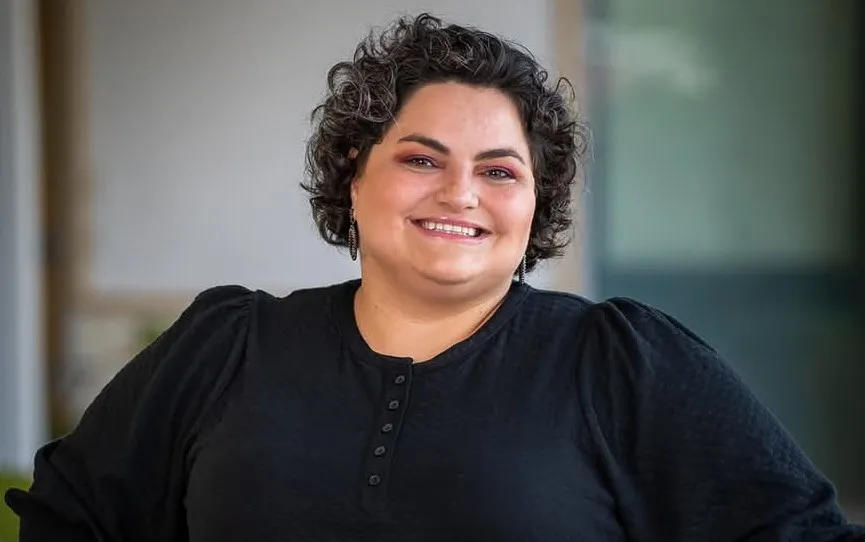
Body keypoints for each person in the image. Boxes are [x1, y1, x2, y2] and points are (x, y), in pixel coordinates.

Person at [5, 12, 863, 542]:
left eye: (500, 171)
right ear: (354, 169)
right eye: (422, 158)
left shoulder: (621, 363)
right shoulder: (228, 345)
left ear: (536, 202)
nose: (461, 193)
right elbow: (69, 520)